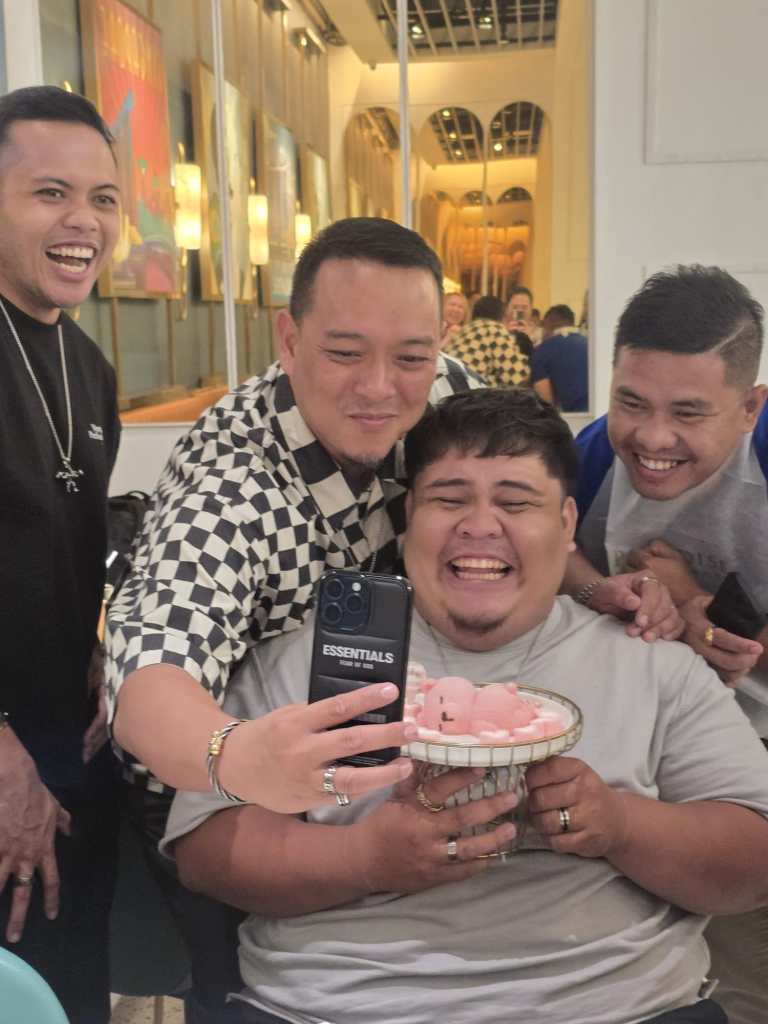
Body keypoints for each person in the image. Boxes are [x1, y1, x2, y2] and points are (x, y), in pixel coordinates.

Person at [163, 388, 768, 1024]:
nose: (480, 526)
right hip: (334, 1007)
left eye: (516, 501)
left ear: (567, 524)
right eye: (449, 499)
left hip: (619, 1006)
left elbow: (754, 864)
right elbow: (204, 851)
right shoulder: (307, 660)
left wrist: (620, 824)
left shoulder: (654, 663)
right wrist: (365, 858)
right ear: (408, 515)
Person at [105, 216, 481, 1018]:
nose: (380, 387)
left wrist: (600, 587)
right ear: (288, 338)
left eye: (410, 356)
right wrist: (238, 755)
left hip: (385, 767)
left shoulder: (447, 390)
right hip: (223, 804)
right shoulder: (230, 486)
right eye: (345, 353)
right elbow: (150, 678)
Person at [567, 265, 768, 1024]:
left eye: (688, 412)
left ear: (749, 407)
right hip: (646, 754)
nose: (651, 438)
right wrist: (608, 587)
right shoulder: (594, 453)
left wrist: (695, 610)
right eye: (631, 402)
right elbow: (552, 545)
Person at [0, 86, 122, 1023]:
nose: (85, 222)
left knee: (73, 988)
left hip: (67, 749)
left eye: (104, 198)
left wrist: (101, 651)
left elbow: (69, 538)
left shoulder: (90, 366)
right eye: (51, 193)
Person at [446, 294, 529, 388]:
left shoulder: (468, 328)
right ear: (501, 315)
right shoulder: (494, 328)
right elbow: (517, 375)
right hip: (467, 390)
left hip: (448, 386)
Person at [531, 303, 589, 412]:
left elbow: (546, 405)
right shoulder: (591, 345)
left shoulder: (542, 351)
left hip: (574, 417)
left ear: (547, 325)